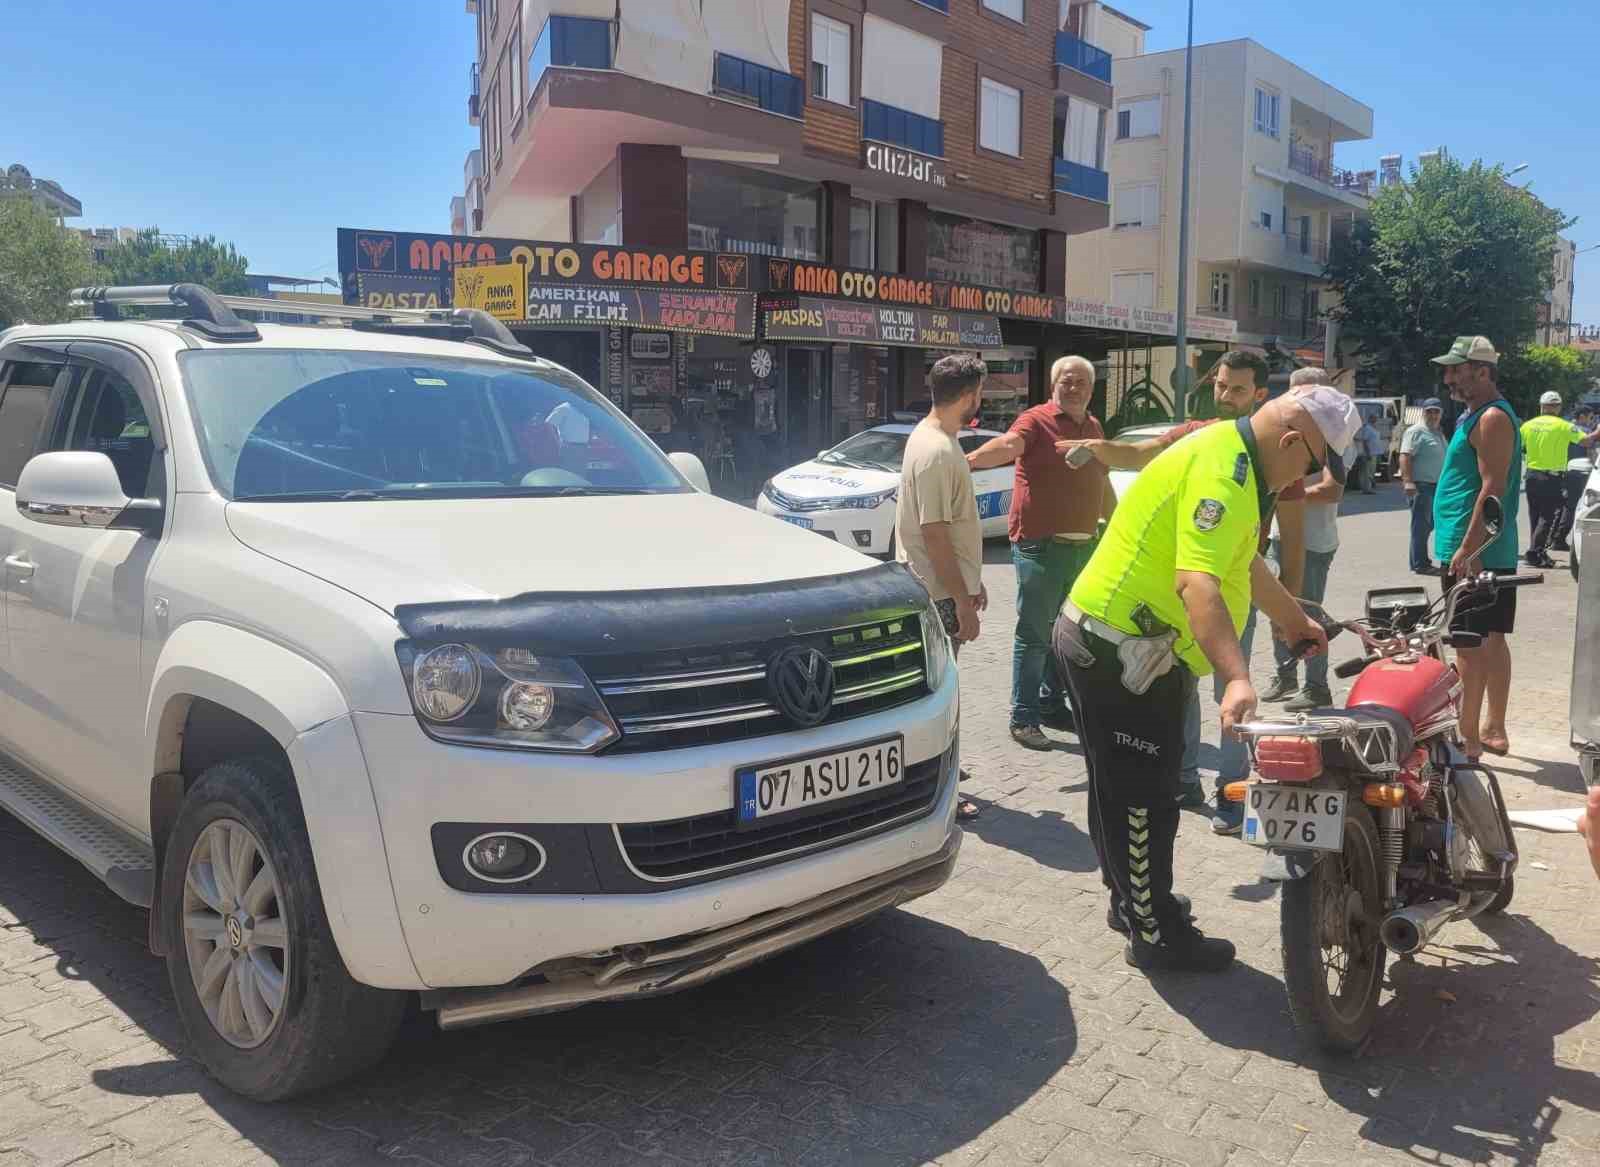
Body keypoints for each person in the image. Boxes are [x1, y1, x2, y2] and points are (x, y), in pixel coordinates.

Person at [1054, 386, 1354, 970]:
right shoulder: (1226, 474)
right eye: (1312, 463)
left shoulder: (1232, 456)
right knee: (1144, 799)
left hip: (1119, 646)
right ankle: (1156, 933)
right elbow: (1198, 582)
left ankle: (1133, 902)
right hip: (1125, 657)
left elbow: (1239, 560)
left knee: (1119, 789)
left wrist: (1294, 618)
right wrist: (1237, 678)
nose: (1307, 477)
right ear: (1293, 441)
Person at [1057, 350, 1307, 832]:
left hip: (1239, 584)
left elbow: (1291, 536)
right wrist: (1097, 447)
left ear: (1260, 395)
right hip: (1186, 589)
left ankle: (1232, 794)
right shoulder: (1198, 434)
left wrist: (1288, 608)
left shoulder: (1279, 451)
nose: (1226, 396)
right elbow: (1139, 455)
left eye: (1237, 389)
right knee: (1185, 685)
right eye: (1220, 386)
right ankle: (1183, 777)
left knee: (1232, 689)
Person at [966, 355, 1114, 751]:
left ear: (1092, 388)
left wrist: (1117, 526)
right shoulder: (1035, 420)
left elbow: (1103, 482)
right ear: (1053, 385)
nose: (1074, 386)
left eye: (1081, 381)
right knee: (1034, 635)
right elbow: (1010, 445)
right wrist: (967, 462)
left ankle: (1051, 704)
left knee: (1065, 634)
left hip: (1083, 548)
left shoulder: (1094, 426)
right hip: (1040, 546)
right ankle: (1023, 716)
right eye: (1066, 380)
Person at [895, 353, 990, 821]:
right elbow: (934, 536)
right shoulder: (936, 451)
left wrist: (974, 583)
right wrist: (960, 600)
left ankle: (944, 770)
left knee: (940, 691)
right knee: (941, 696)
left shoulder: (935, 439)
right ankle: (942, 788)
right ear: (971, 396)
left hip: (946, 589)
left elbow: (952, 530)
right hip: (936, 595)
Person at [1431, 336, 1523, 762]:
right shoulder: (1474, 415)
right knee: (1489, 640)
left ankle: (1467, 740)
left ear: (1482, 371)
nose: (1448, 377)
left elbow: (1493, 488)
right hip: (1477, 549)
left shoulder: (1491, 419)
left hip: (1476, 552)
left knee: (1469, 646)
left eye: (1456, 369)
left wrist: (1469, 548)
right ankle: (1491, 728)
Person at [1261, 369, 1344, 712]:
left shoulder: (1333, 436)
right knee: (1277, 610)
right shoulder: (1288, 430)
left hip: (1313, 542)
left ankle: (1317, 685)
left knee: (1307, 614)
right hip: (1284, 537)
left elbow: (1332, 489)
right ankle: (1286, 675)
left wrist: (1289, 496)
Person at [1521, 391, 1600, 568]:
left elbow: (1517, 446)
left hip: (1532, 476)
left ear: (1541, 406)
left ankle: (1537, 551)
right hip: (1552, 477)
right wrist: (1598, 432)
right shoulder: (1563, 426)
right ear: (1557, 407)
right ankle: (1535, 552)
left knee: (1535, 515)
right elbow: (1586, 441)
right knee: (1547, 516)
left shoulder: (1528, 425)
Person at [1399, 399, 1447, 574]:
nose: (1433, 415)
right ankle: (1420, 563)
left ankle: (1420, 560)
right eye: (1429, 411)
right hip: (1422, 486)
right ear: (1423, 412)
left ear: (1441, 414)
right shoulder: (1416, 431)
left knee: (1429, 524)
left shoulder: (1437, 432)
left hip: (1437, 487)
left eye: (1436, 412)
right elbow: (1405, 456)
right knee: (1421, 525)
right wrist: (1408, 481)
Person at [1553, 403, 1599, 552]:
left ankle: (1553, 537)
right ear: (1581, 417)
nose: (1591, 421)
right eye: (1590, 417)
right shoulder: (1584, 432)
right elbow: (1591, 453)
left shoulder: (1564, 428)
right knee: (1573, 507)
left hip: (1562, 470)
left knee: (1562, 506)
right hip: (1579, 473)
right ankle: (1559, 539)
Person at [1353, 416, 1381, 493]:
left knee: (1370, 471)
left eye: (1376, 418)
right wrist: (1368, 453)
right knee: (1367, 472)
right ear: (1370, 419)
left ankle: (1367, 488)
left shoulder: (1373, 427)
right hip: (1369, 454)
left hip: (1374, 453)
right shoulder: (1368, 428)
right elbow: (1365, 442)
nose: (1376, 420)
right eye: (1374, 418)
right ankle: (1366, 489)